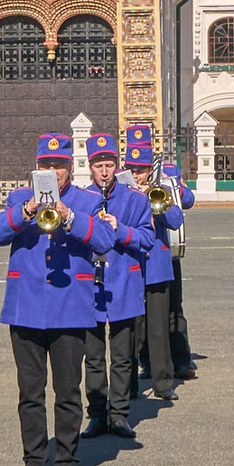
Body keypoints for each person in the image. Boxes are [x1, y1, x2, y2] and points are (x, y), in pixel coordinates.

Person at [0, 133, 122, 466]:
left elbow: (106, 242)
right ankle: (33, 463)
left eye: (58, 166)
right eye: (45, 166)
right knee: (30, 391)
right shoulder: (19, 198)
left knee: (68, 391)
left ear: (69, 169)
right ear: (36, 168)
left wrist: (70, 217)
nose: (52, 171)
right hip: (25, 307)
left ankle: (67, 461)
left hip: (70, 308)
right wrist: (28, 210)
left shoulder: (87, 201)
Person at [83, 135, 156, 437]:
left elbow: (148, 238)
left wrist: (120, 229)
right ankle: (97, 414)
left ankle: (120, 414)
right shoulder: (81, 198)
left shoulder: (136, 199)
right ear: (90, 167)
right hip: (91, 288)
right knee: (94, 356)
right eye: (99, 165)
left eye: (109, 165)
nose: (104, 171)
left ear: (117, 166)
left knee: (123, 356)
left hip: (125, 283)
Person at [124, 134, 186, 405]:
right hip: (131, 266)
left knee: (159, 326)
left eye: (141, 170)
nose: (137, 175)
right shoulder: (120, 191)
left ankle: (163, 382)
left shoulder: (161, 189)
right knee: (133, 328)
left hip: (158, 266)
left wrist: (154, 201)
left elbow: (175, 220)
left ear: (150, 170)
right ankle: (132, 381)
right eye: (133, 170)